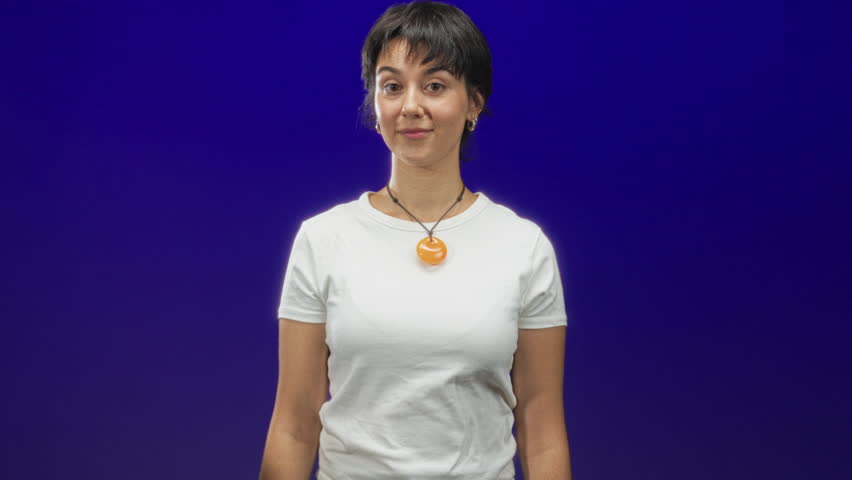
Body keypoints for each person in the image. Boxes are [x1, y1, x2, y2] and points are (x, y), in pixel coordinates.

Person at [260, 1, 571, 479]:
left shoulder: (524, 247)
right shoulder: (323, 240)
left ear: (474, 103)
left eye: (434, 85)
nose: (410, 106)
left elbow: (542, 430)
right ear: (375, 103)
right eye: (392, 86)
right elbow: (294, 426)